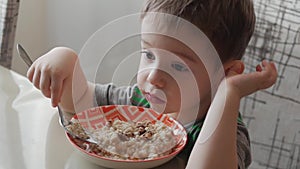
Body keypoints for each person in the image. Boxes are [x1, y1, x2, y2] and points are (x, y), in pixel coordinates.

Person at [27, 0, 278, 168]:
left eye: (179, 66)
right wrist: (66, 61)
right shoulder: (139, 103)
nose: (153, 77)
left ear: (225, 73)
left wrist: (229, 92)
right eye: (148, 55)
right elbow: (82, 108)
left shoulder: (227, 134)